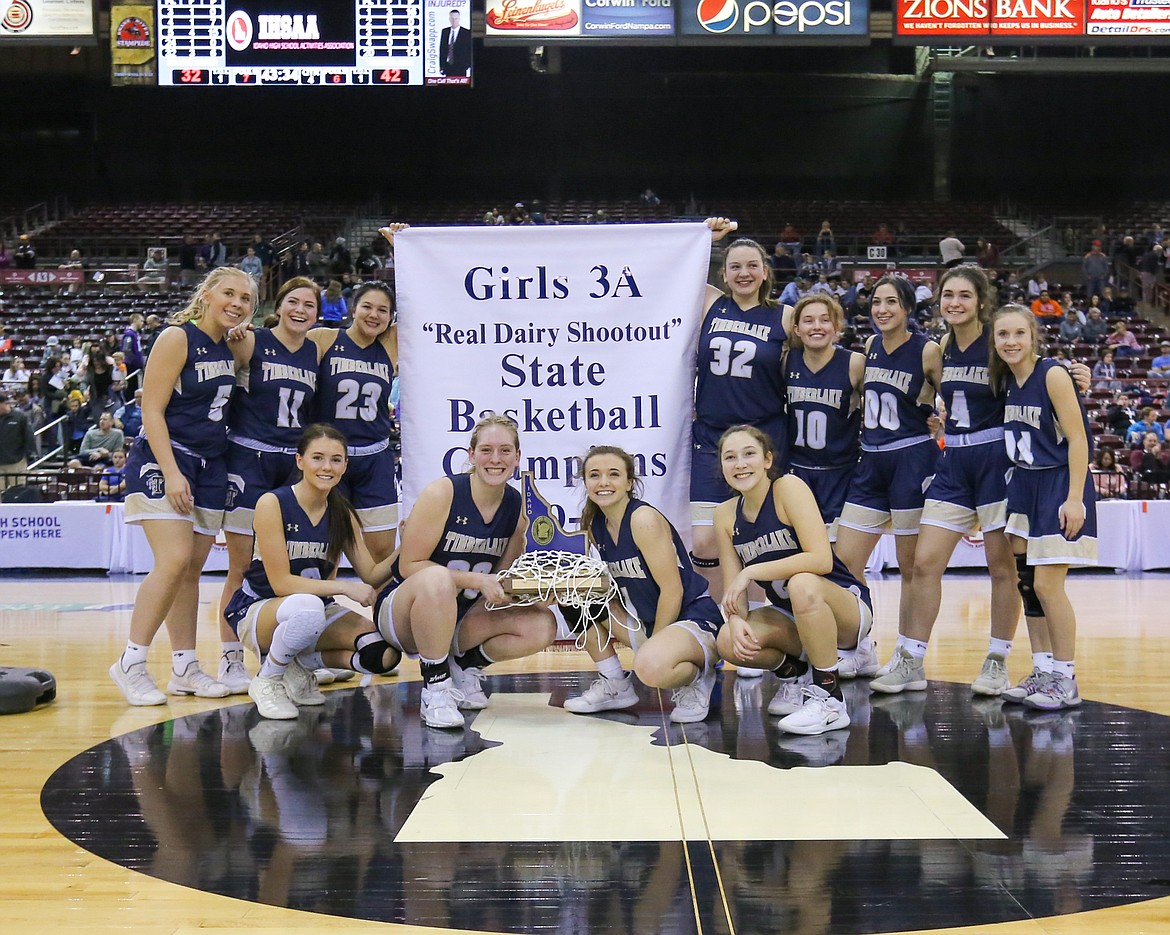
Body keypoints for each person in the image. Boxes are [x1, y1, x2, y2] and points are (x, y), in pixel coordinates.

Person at [883, 267, 1074, 695]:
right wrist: (933, 418)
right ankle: (910, 659)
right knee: (922, 562)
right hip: (954, 461)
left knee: (1002, 569)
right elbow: (931, 394)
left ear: (980, 302)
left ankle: (997, 659)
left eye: (964, 296)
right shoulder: (941, 348)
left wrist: (1074, 376)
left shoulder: (998, 341)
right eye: (947, 295)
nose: (954, 302)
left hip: (997, 460)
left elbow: (1037, 375)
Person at [110, 267, 256, 706]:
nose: (237, 303)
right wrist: (172, 472)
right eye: (229, 293)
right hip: (166, 458)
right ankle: (131, 662)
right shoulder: (177, 337)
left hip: (211, 464)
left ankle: (184, 666)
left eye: (246, 298)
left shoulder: (231, 345)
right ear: (207, 294)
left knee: (191, 567)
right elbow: (151, 409)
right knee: (172, 560)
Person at [374, 415, 555, 727]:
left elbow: (500, 582)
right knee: (436, 578)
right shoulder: (443, 493)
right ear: (471, 455)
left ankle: (464, 666)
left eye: (505, 451)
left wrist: (540, 589)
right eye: (486, 450)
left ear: (517, 457)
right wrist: (474, 580)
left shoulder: (518, 509)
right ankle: (436, 688)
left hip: (460, 615)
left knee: (542, 624)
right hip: (406, 613)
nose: (495, 459)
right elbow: (409, 566)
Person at [224, 424, 403, 719]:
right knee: (307, 607)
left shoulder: (341, 513)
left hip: (313, 612)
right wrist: (344, 588)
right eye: (317, 457)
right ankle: (267, 680)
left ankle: (299, 665)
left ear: (345, 465)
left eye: (335, 459)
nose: (327, 466)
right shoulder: (273, 503)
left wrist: (405, 548)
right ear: (300, 460)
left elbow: (371, 574)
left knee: (382, 655)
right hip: (259, 610)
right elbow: (282, 583)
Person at [714, 426, 872, 734]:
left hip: (842, 607)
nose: (740, 464)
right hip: (794, 615)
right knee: (727, 641)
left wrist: (752, 571)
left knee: (802, 582)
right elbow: (734, 588)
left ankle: (829, 699)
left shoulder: (787, 487)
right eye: (730, 457)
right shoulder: (724, 514)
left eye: (749, 454)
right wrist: (735, 620)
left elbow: (820, 559)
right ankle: (797, 674)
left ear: (767, 460)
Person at [217, 277, 324, 694]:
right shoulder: (252, 340)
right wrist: (234, 332)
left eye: (309, 305)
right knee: (241, 566)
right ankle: (229, 657)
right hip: (250, 458)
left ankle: (288, 655)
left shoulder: (316, 348)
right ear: (279, 307)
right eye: (293, 302)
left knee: (287, 567)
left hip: (292, 463)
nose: (300, 310)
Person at [563, 445, 724, 723]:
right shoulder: (596, 523)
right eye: (594, 475)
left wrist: (652, 645)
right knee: (571, 593)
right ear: (585, 482)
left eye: (613, 474)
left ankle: (697, 678)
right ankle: (616, 684)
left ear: (628, 483)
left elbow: (673, 591)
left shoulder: (643, 519)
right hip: (648, 622)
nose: (603, 482)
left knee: (650, 667)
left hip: (692, 620)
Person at [833, 274, 942, 682]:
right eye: (877, 302)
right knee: (844, 562)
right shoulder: (870, 346)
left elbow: (957, 393)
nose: (882, 309)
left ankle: (910, 658)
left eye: (892, 302)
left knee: (911, 567)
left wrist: (940, 418)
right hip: (871, 461)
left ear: (908, 308)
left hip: (911, 459)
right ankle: (860, 645)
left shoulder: (928, 350)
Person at [991, 304, 1096, 710]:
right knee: (1028, 585)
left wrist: (1074, 497)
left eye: (1019, 333)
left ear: (1033, 336)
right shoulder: (1008, 380)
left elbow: (1078, 438)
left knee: (1049, 586)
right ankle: (1042, 668)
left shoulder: (1051, 373)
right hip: (1023, 483)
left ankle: (1066, 679)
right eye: (1003, 335)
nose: (1011, 342)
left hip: (1056, 482)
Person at [690, 218, 794, 600]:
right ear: (724, 273)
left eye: (752, 265)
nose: (744, 273)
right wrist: (705, 239)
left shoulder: (784, 316)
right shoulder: (711, 305)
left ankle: (760, 625)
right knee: (704, 542)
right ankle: (720, 624)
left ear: (765, 272)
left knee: (759, 539)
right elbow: (674, 266)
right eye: (735, 266)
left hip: (763, 437)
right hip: (712, 438)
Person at [311, 276, 400, 563]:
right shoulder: (324, 338)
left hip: (375, 459)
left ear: (391, 316)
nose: (374, 315)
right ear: (353, 308)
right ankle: (326, 606)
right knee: (326, 552)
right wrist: (244, 331)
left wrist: (399, 246)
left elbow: (426, 301)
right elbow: (281, 342)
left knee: (382, 554)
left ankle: (382, 610)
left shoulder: (390, 345)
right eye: (367, 306)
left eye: (383, 310)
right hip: (331, 458)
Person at [783, 294, 863, 539]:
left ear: (836, 327)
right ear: (796, 329)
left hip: (841, 471)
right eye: (808, 320)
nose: (816, 326)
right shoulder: (786, 361)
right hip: (798, 471)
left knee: (841, 558)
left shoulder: (855, 363)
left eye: (824, 320)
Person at [0, 391, 35, 489]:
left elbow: (29, 437)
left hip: (17, 461)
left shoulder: (20, 417)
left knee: (18, 492)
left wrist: (28, 454)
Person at [438, 8, 471, 76]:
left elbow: (469, 50)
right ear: (449, 19)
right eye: (452, 18)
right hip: (447, 66)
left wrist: (467, 65)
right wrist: (441, 65)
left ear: (459, 19)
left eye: (456, 18)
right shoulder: (445, 31)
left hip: (461, 67)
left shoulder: (466, 32)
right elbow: (442, 49)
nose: (454, 21)